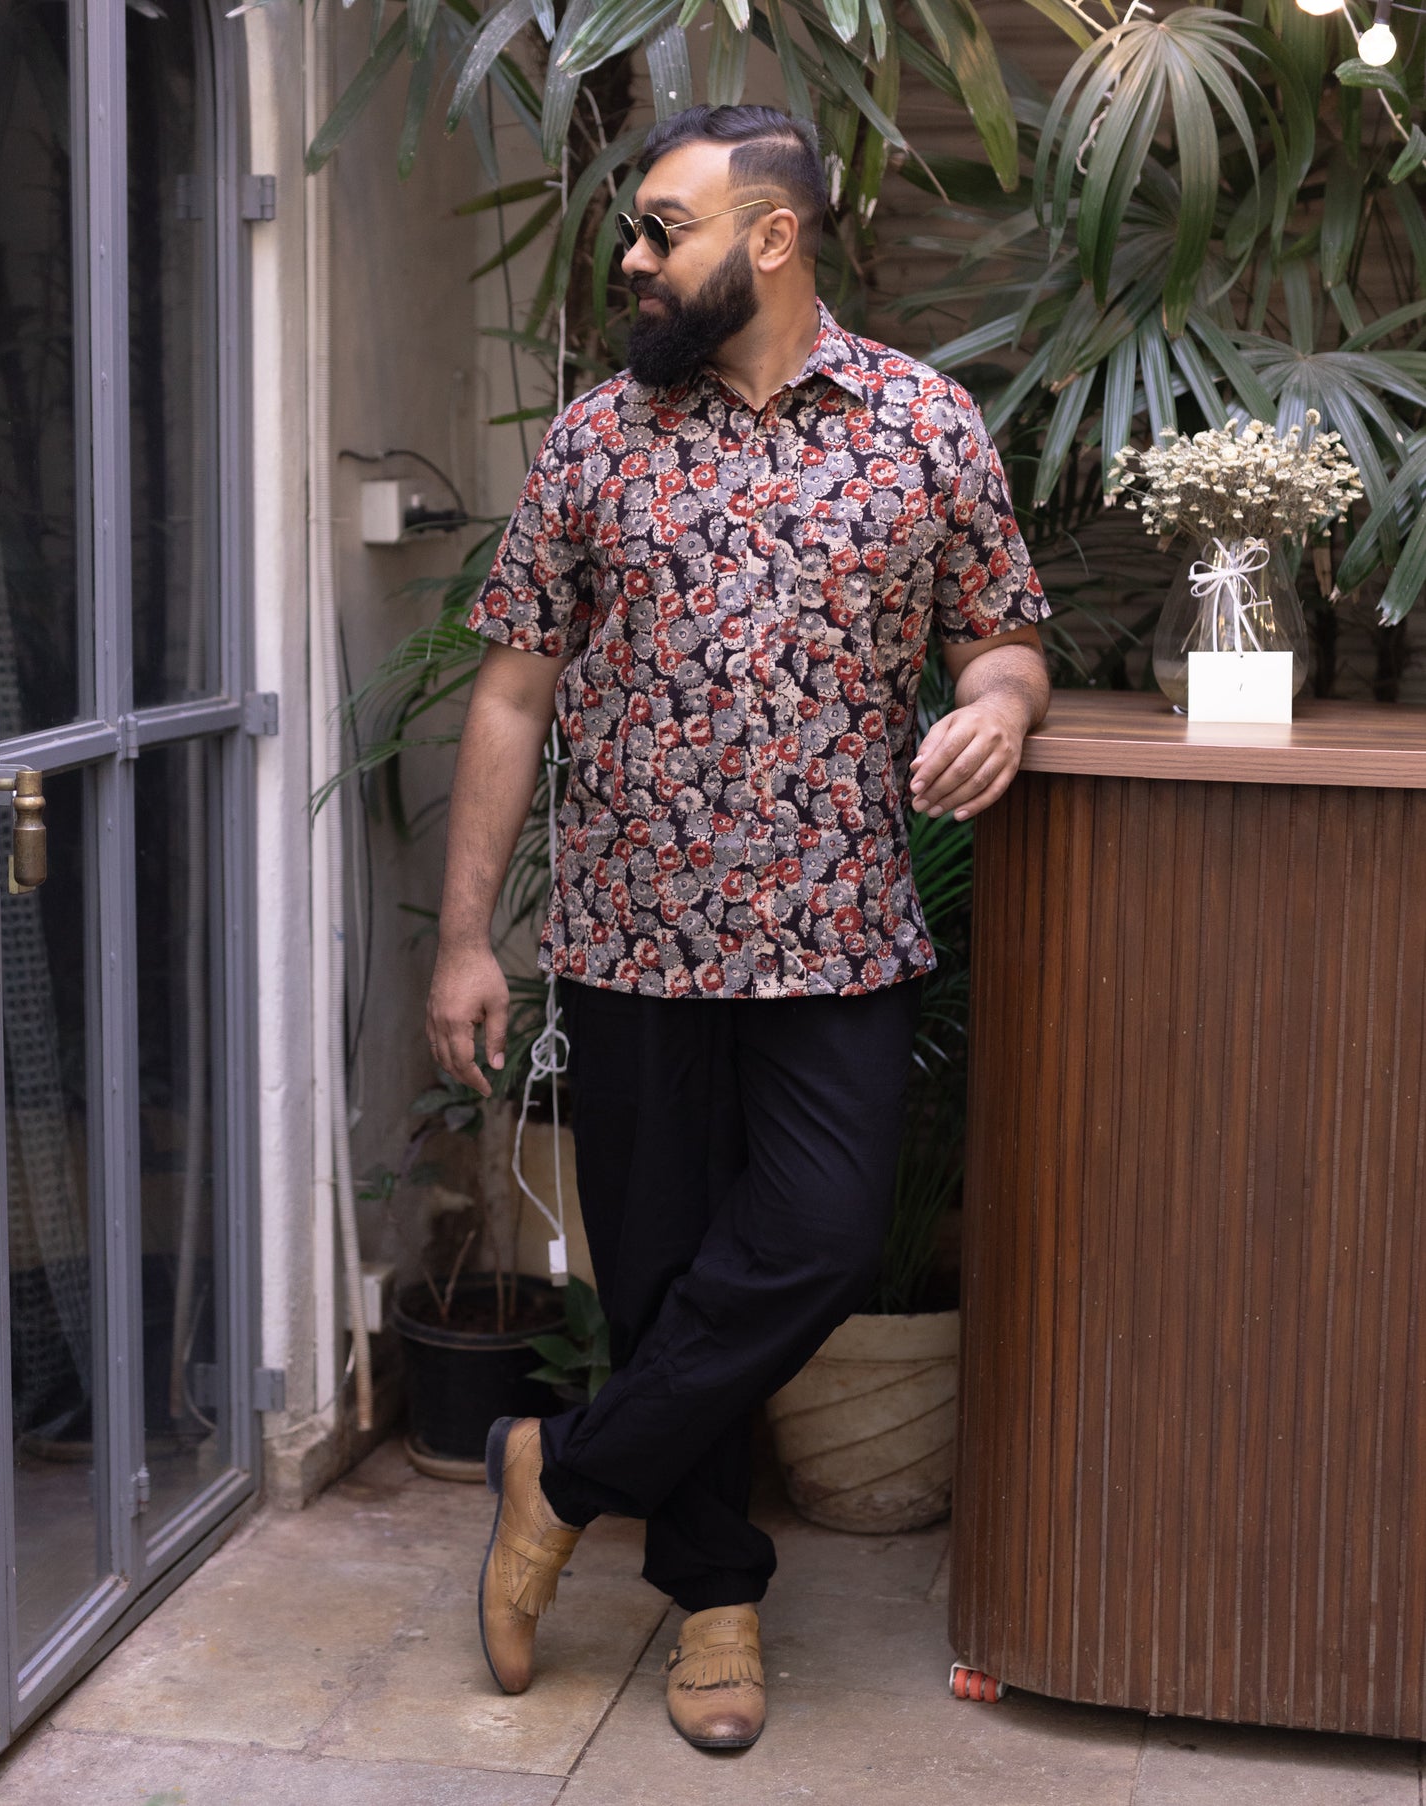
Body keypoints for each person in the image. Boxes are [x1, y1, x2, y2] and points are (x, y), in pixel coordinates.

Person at [427, 103, 1052, 1752]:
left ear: (769, 238)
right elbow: (507, 695)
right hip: (630, 941)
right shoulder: (594, 441)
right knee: (659, 1279)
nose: (631, 259)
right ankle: (713, 1601)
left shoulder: (921, 423)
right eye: (636, 230)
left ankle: (552, 1471)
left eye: (660, 227)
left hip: (840, 932)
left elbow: (1004, 637)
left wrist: (998, 707)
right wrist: (465, 938)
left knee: (827, 1239)